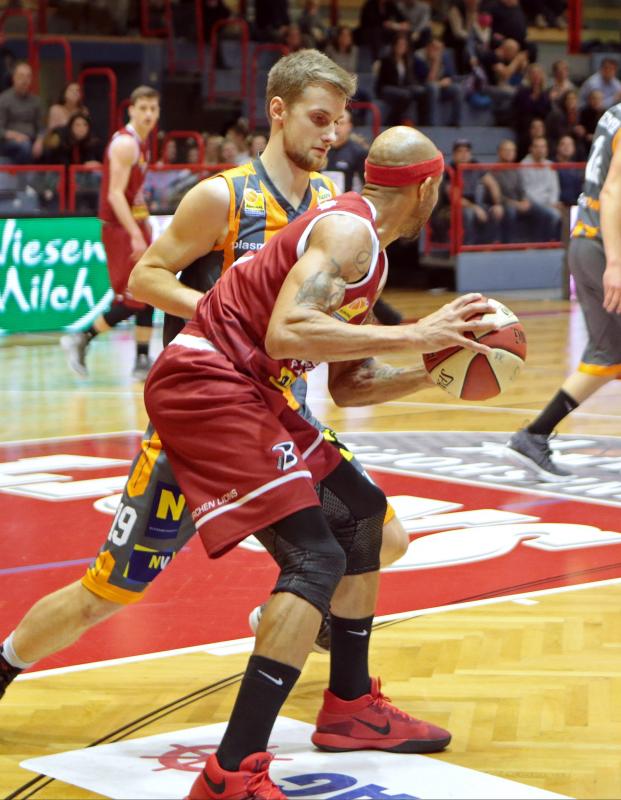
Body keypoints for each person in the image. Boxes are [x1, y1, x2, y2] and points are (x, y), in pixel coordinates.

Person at [0, 51, 409, 710]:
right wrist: (221, 313)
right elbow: (144, 276)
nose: (331, 135)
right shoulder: (224, 196)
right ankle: (5, 662)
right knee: (108, 592)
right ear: (277, 111)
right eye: (318, 119)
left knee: (379, 537)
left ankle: (286, 615)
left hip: (282, 421)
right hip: (204, 424)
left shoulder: (333, 209)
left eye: (339, 122)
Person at [143, 126, 494, 799]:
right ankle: (230, 774)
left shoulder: (370, 255)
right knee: (314, 558)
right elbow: (286, 332)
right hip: (206, 382)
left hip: (251, 387)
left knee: (361, 515)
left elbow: (351, 384)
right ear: (427, 187)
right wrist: (418, 331)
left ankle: (350, 707)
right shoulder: (348, 232)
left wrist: (436, 367)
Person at [507, 102, 621, 481]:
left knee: (608, 355)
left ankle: (534, 435)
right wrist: (615, 262)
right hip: (604, 247)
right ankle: (532, 435)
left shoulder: (614, 113)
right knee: (608, 354)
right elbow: (613, 191)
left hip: (591, 244)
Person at [59, 86, 160, 381]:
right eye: (143, 108)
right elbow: (115, 195)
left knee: (148, 289)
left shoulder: (142, 142)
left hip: (134, 224)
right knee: (134, 297)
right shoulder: (126, 144)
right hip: (120, 229)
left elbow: (130, 193)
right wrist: (135, 233)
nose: (149, 114)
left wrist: (143, 218)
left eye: (153, 108)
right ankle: (82, 337)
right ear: (131, 110)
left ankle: (142, 359)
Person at [0, 61, 44, 164]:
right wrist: (14, 135)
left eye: (28, 76)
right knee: (25, 146)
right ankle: (24, 172)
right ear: (14, 78)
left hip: (32, 140)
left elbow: (41, 127)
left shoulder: (36, 101)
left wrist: (40, 141)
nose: (25, 80)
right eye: (21, 76)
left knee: (50, 149)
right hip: (8, 142)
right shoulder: (3, 99)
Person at [520, 135, 562, 241]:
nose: (540, 150)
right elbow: (524, 189)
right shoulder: (523, 165)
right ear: (531, 149)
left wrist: (553, 202)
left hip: (548, 202)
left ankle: (551, 242)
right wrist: (541, 204)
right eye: (537, 146)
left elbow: (554, 187)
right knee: (553, 214)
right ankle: (542, 243)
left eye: (543, 147)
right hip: (532, 202)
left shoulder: (550, 165)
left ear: (546, 149)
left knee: (561, 212)